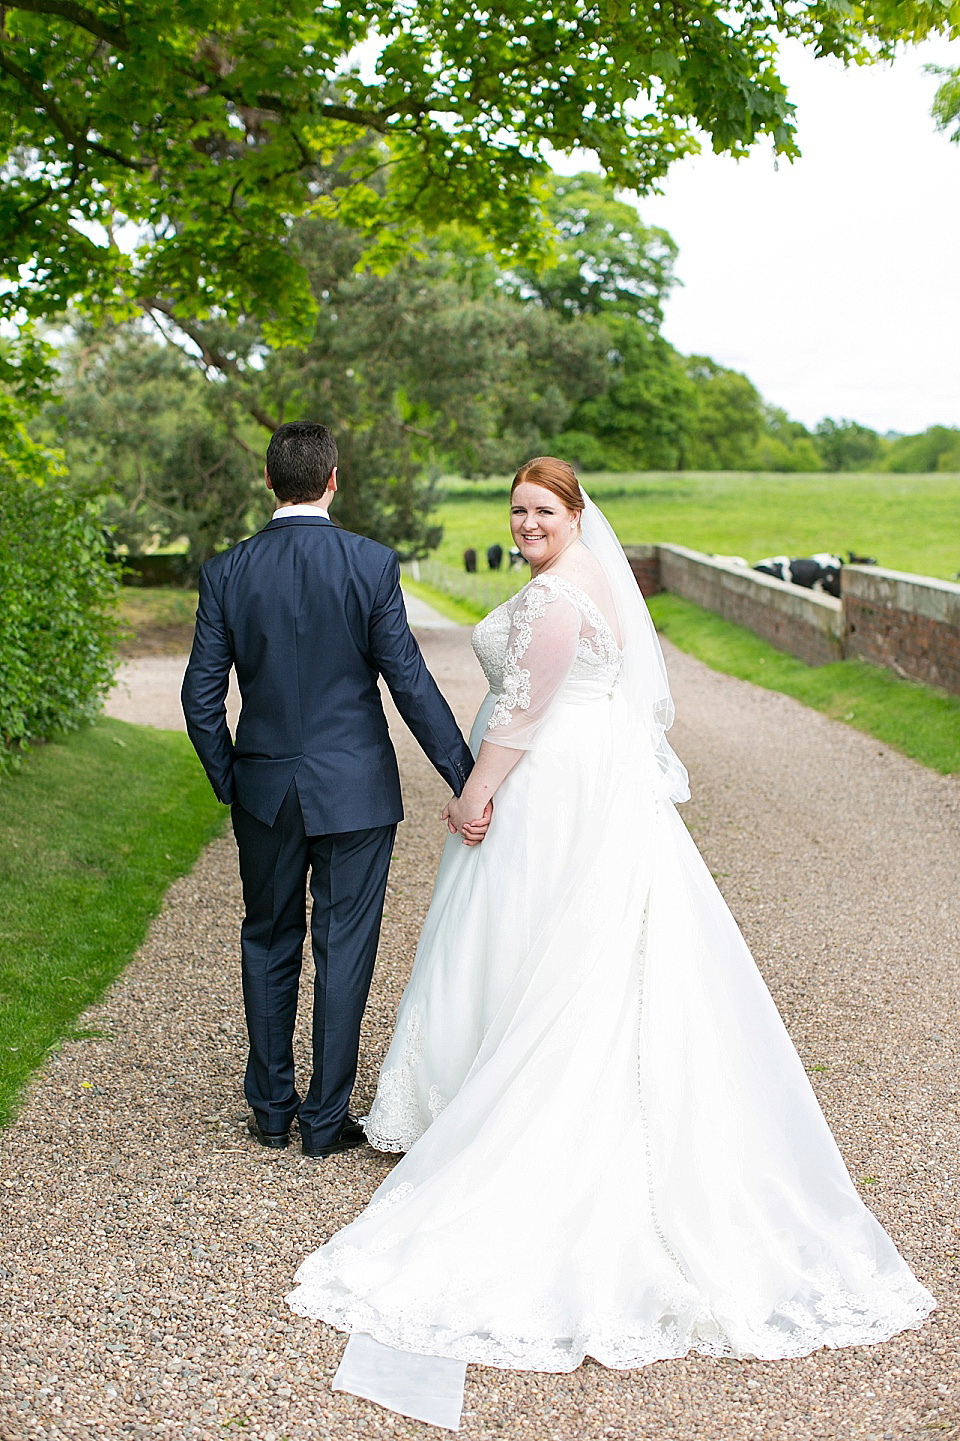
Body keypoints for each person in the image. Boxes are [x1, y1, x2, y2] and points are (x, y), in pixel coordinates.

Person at [287, 457, 934, 1426]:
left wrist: (475, 789)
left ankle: (503, 1102)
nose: (524, 523)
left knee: (547, 943)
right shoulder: (581, 582)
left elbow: (524, 708)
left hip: (552, 781)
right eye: (516, 510)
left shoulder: (557, 599)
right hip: (591, 780)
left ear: (576, 513)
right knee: (553, 942)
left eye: (541, 510)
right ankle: (486, 1083)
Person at [181, 421, 488, 1160]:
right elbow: (409, 680)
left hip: (265, 792)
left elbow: (200, 698)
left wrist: (234, 777)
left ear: (268, 481)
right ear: (334, 479)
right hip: (355, 791)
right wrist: (465, 775)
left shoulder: (227, 570)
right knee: (343, 947)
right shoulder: (370, 563)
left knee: (267, 938)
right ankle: (325, 1121)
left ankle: (270, 1110)